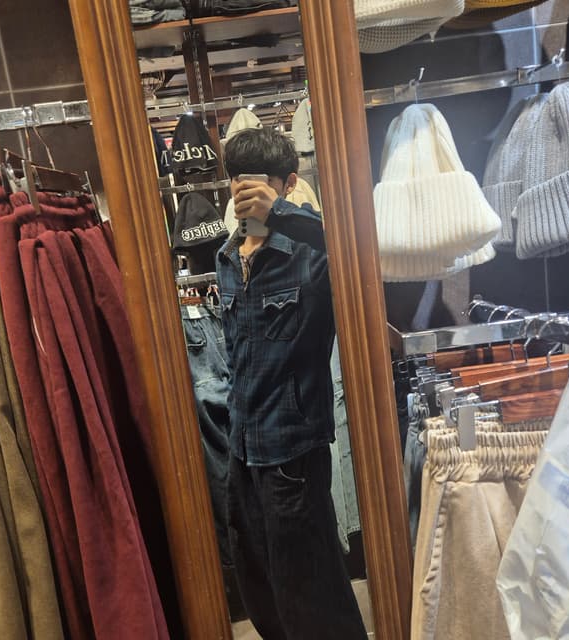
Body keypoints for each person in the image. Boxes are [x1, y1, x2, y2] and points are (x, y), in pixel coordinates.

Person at [216, 128, 367, 640]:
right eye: (236, 178)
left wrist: (281, 213)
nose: (244, 190)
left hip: (292, 451)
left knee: (311, 587)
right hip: (242, 449)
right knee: (259, 584)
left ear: (288, 182)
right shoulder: (225, 258)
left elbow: (359, 248)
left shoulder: (312, 255)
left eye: (258, 180)